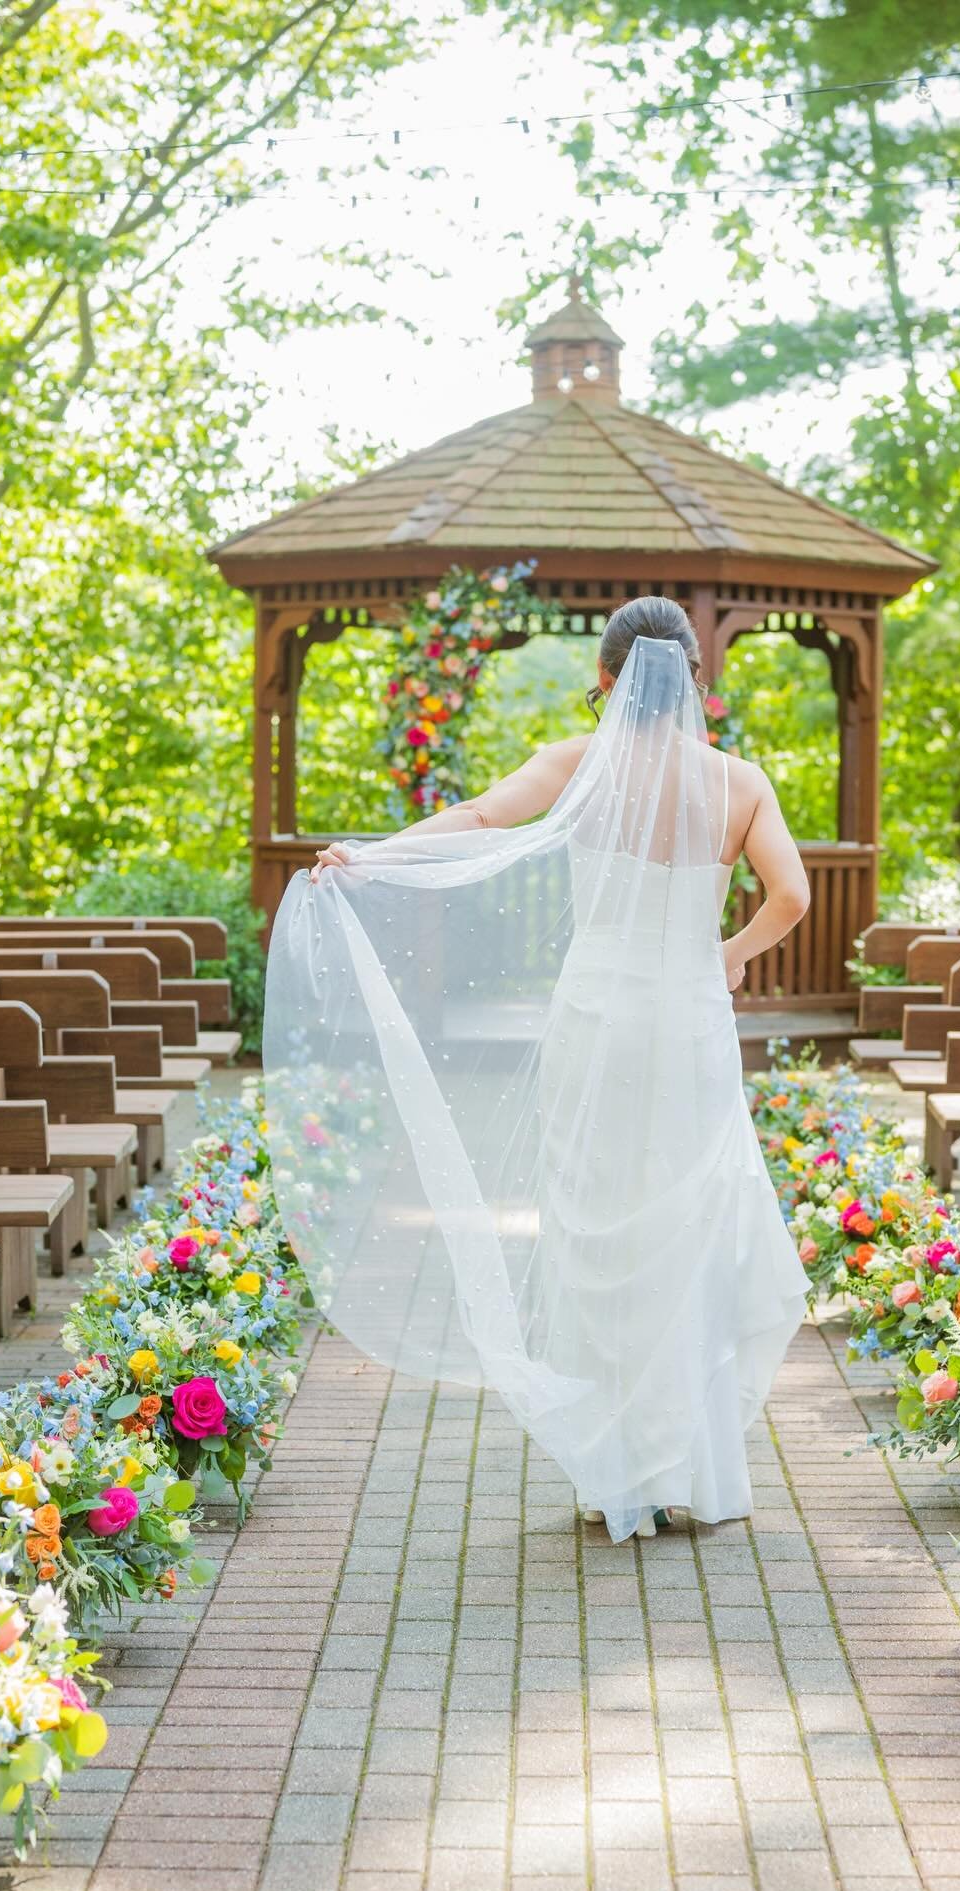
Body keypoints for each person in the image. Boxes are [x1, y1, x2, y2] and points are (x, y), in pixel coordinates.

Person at [265, 595, 811, 1541]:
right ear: (695, 682)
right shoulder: (740, 781)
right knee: (686, 1226)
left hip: (597, 1018)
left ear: (602, 680)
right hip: (686, 1023)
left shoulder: (577, 766)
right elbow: (792, 897)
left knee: (595, 1228)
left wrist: (374, 856)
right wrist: (730, 953)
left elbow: (480, 817)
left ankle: (620, 1475)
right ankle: (698, 1466)